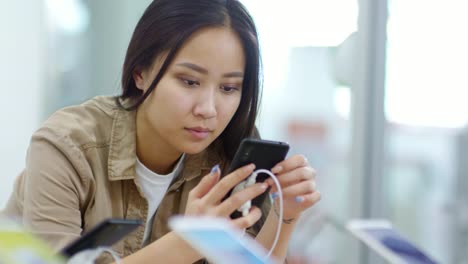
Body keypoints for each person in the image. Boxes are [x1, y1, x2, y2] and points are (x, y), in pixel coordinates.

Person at [1, 0, 321, 263]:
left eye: (228, 87)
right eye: (189, 81)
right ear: (140, 72)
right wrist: (190, 241)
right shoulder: (66, 144)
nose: (208, 108)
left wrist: (284, 214)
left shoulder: (229, 149)